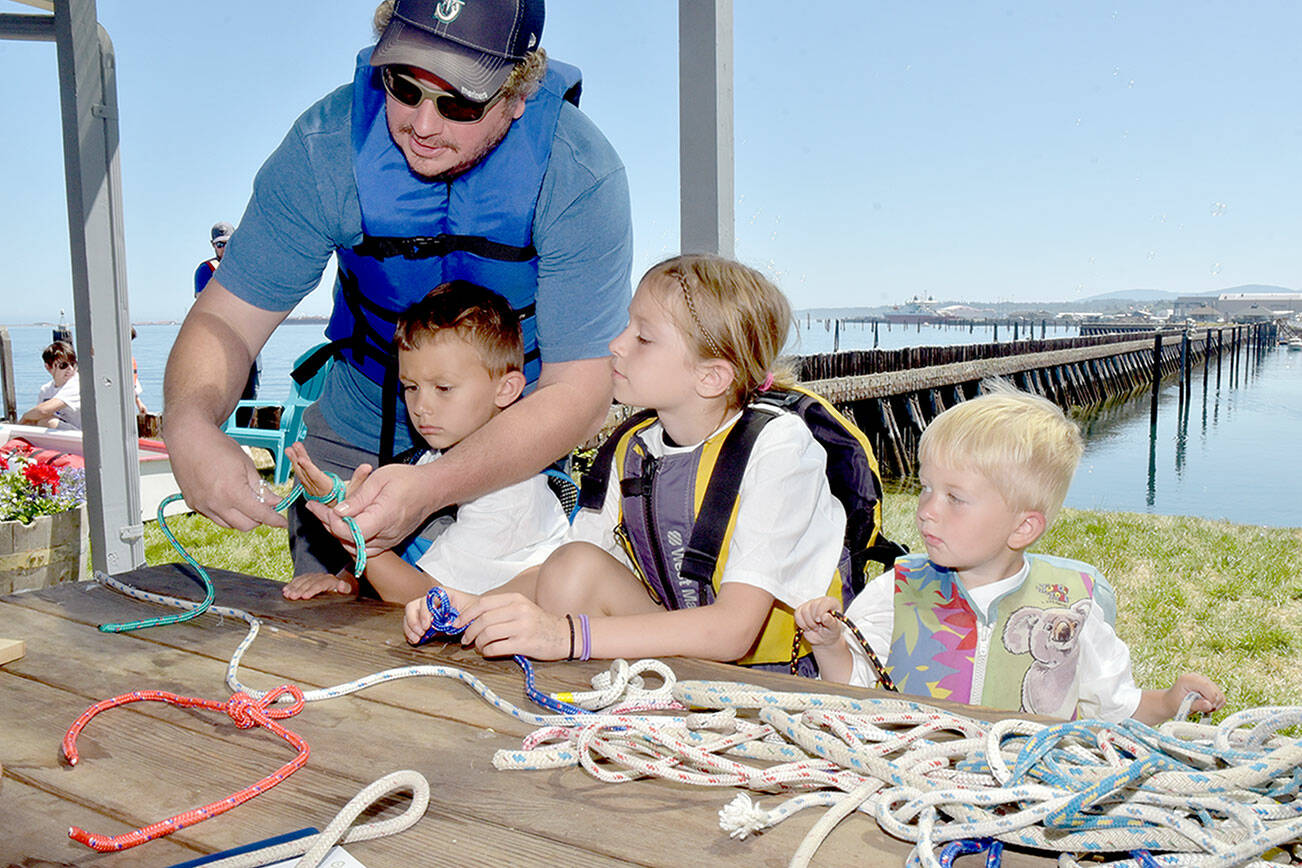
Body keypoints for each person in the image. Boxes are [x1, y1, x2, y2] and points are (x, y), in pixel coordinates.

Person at [162, 0, 632, 588]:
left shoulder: (579, 173)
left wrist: (433, 485)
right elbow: (226, 320)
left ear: (517, 96)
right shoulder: (323, 152)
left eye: (459, 101)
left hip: (511, 450)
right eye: (402, 87)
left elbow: (582, 391)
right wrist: (188, 424)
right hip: (355, 434)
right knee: (332, 640)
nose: (424, 124)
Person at [404, 255, 847, 671]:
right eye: (626, 327)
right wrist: (473, 605)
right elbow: (560, 571)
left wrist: (566, 637)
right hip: (681, 651)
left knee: (571, 597)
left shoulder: (778, 448)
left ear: (711, 376)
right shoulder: (634, 446)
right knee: (574, 561)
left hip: (774, 674)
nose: (616, 345)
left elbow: (733, 631)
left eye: (643, 337)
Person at [794, 383, 1225, 725]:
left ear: (1023, 527)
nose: (926, 510)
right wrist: (831, 647)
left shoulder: (1073, 607)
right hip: (919, 781)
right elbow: (857, 689)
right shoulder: (897, 590)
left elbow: (1115, 710)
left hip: (1032, 794)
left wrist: (1169, 702)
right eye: (925, 488)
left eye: (954, 498)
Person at [282, 281, 568, 604]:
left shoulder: (511, 494)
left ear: (506, 389)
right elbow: (406, 546)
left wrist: (350, 528)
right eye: (411, 387)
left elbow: (426, 599)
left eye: (443, 388)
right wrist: (347, 578)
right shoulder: (434, 458)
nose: (421, 407)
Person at [194, 221, 260, 425]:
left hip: (248, 341)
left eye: (227, 243)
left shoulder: (248, 267)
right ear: (212, 245)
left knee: (250, 392)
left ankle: (242, 438)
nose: (223, 248)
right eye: (219, 244)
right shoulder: (206, 270)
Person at [21, 341, 81, 430]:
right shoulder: (46, 389)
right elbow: (37, 415)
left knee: (47, 422)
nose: (70, 369)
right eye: (63, 365)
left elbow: (43, 411)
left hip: (81, 436)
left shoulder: (77, 384)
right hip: (63, 435)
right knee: (33, 421)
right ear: (48, 367)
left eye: (73, 364)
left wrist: (24, 417)